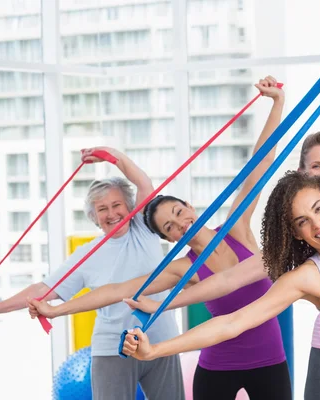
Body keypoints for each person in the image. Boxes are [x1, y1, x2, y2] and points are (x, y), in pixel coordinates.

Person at [123, 22, 320, 399]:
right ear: (303, 175)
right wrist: (156, 308)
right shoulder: (300, 235)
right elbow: (228, 287)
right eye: (317, 167)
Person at [28, 76, 293, 400]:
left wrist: (277, 102)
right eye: (169, 227)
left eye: (179, 213)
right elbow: (117, 290)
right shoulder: (183, 269)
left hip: (269, 362)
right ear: (170, 239)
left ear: (190, 208)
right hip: (217, 367)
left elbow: (260, 164)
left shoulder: (238, 230)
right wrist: (57, 309)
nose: (180, 224)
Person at [0, 147, 185, 400]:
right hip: (113, 348)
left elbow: (143, 182)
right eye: (102, 209)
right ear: (94, 216)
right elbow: (42, 290)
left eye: (116, 205)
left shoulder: (143, 229)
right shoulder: (87, 254)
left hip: (161, 340)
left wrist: (112, 155)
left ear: (130, 206)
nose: (111, 214)